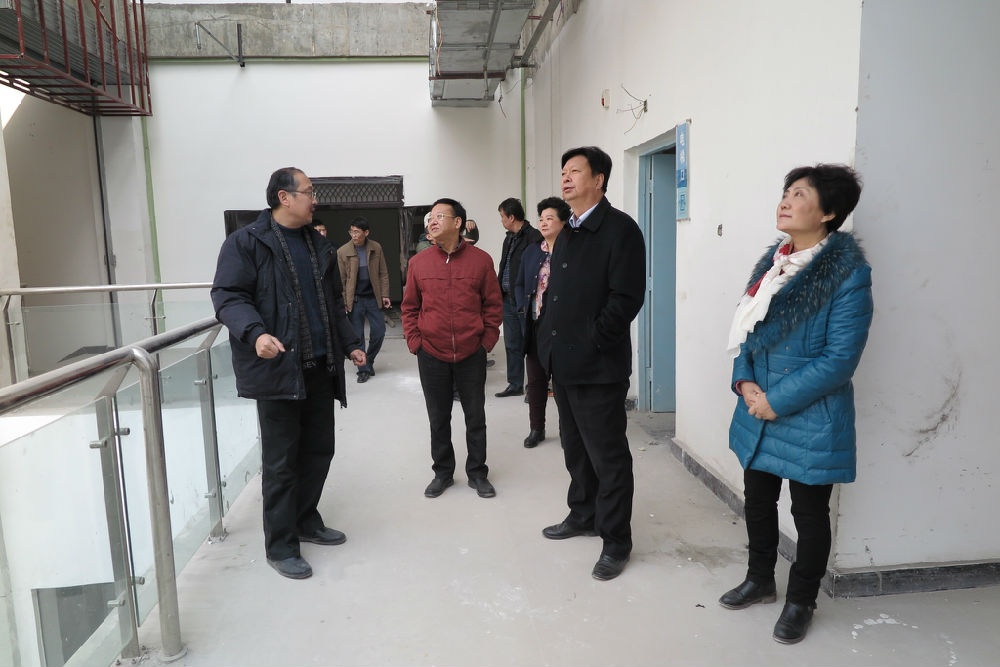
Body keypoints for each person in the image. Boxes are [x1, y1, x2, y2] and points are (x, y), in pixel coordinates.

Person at [720, 164, 872, 645]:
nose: (785, 201)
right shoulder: (773, 265)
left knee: (808, 514)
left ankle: (801, 601)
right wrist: (744, 381)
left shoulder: (848, 275)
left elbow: (839, 359)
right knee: (758, 501)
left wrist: (776, 401)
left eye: (799, 194)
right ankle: (760, 579)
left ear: (828, 212)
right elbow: (747, 331)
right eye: (786, 192)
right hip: (758, 408)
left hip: (810, 415)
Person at [211, 167, 366, 580]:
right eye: (309, 192)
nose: (314, 199)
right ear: (284, 197)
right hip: (278, 369)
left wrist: (351, 342)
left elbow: (332, 303)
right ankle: (281, 546)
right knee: (281, 462)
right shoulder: (246, 243)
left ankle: (305, 519)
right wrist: (254, 333)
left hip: (320, 366)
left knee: (319, 450)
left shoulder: (319, 245)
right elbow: (228, 296)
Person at [536, 146, 646, 581]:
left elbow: (626, 299)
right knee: (575, 449)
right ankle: (583, 513)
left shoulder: (620, 230)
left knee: (608, 457)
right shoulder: (569, 232)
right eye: (563, 172)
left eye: (575, 171)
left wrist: (593, 341)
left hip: (598, 367)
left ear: (599, 180)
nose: (565, 178)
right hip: (563, 364)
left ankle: (616, 541)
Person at [401, 198, 503, 499]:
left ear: (458, 223)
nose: (432, 221)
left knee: (475, 417)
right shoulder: (419, 263)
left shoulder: (481, 261)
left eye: (439, 216)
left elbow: (493, 305)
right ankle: (443, 473)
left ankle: (477, 473)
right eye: (430, 217)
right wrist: (416, 343)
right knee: (438, 417)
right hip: (431, 352)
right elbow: (409, 307)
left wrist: (486, 342)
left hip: (472, 352)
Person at [514, 196, 570, 448]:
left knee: (562, 382)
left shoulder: (572, 251)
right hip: (535, 325)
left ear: (563, 222)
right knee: (536, 381)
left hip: (562, 329)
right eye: (541, 219)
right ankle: (536, 428)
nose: (544, 223)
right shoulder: (532, 251)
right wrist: (521, 308)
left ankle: (567, 430)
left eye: (550, 218)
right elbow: (519, 283)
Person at [495, 198, 543, 398]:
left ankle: (534, 387)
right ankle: (515, 384)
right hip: (507, 299)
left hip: (525, 300)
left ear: (511, 217)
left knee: (530, 344)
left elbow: (537, 268)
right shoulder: (509, 238)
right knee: (511, 344)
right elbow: (504, 266)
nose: (501, 220)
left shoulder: (533, 237)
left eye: (502, 216)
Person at [337, 217, 391, 383]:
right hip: (355, 299)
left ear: (366, 232)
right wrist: (344, 301)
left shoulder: (376, 247)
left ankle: (369, 359)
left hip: (373, 297)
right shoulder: (343, 251)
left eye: (357, 232)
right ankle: (363, 370)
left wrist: (385, 294)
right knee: (357, 336)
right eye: (351, 231)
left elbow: (383, 273)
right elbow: (341, 280)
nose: (353, 235)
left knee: (379, 331)